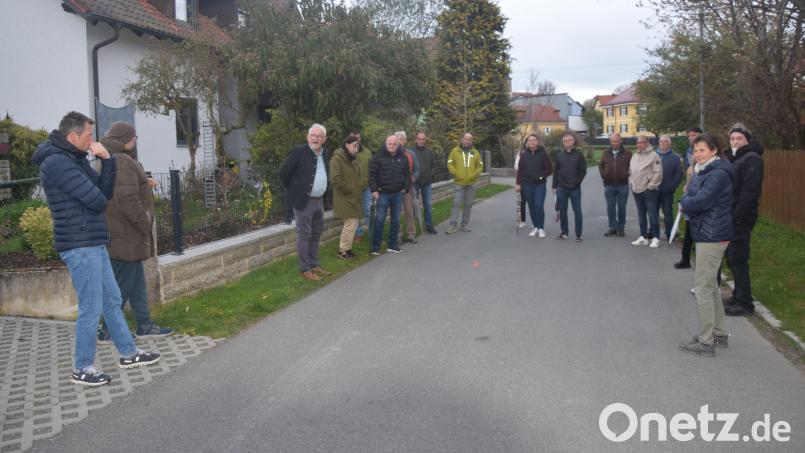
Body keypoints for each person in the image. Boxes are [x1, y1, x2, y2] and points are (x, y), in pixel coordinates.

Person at [32, 112, 160, 386]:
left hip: (92, 240)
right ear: (72, 136)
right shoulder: (56, 163)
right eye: (89, 135)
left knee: (112, 299)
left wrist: (106, 160)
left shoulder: (74, 159)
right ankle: (82, 368)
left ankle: (128, 352)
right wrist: (103, 172)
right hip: (79, 245)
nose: (93, 139)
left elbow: (104, 190)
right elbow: (99, 200)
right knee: (91, 306)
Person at [99, 121, 173, 341]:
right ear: (124, 138)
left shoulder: (114, 158)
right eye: (134, 136)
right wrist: (144, 224)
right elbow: (126, 199)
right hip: (126, 235)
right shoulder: (121, 161)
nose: (136, 139)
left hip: (124, 234)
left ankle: (144, 324)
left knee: (136, 282)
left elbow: (124, 188)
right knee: (120, 286)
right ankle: (107, 329)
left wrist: (144, 182)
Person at [679, 133, 733, 356]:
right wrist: (688, 198)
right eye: (695, 150)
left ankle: (706, 341)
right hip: (708, 232)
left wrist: (684, 202)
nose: (697, 154)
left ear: (714, 150)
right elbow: (692, 192)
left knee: (702, 288)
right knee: (711, 286)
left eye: (702, 150)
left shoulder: (717, 173)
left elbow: (700, 200)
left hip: (712, 234)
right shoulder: (705, 170)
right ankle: (718, 334)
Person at [280, 123, 332, 281]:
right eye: (313, 135)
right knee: (304, 235)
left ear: (324, 139)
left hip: (319, 201)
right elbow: (283, 173)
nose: (316, 138)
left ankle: (314, 264)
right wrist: (295, 190)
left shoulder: (326, 153)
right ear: (307, 137)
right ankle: (304, 269)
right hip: (303, 201)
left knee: (316, 233)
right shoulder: (299, 151)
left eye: (319, 136)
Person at [724, 123, 764, 317]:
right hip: (731, 214)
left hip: (741, 217)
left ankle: (745, 303)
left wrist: (737, 216)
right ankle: (737, 295)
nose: (735, 142)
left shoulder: (752, 159)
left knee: (738, 258)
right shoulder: (736, 159)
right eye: (732, 139)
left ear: (747, 139)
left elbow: (749, 192)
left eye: (739, 138)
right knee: (732, 258)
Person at [369, 135, 410, 254]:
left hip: (398, 194)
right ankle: (375, 247)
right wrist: (374, 190)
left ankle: (392, 245)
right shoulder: (378, 156)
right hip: (383, 193)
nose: (391, 146)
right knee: (379, 220)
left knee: (396, 220)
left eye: (394, 144)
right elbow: (372, 174)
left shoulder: (403, 157)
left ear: (398, 145)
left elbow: (407, 174)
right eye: (389, 144)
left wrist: (405, 188)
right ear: (386, 144)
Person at [330, 135, 363, 259]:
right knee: (351, 223)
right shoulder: (337, 159)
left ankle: (347, 249)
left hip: (352, 197)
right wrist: (350, 189)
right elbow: (335, 180)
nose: (356, 148)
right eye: (354, 146)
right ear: (347, 145)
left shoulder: (351, 158)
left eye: (357, 146)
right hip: (344, 197)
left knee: (352, 223)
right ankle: (343, 251)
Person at [674, 127, 702, 269]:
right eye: (689, 135)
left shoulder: (705, 153)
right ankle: (685, 258)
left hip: (699, 195)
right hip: (689, 192)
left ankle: (697, 257)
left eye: (694, 135)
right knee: (689, 226)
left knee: (697, 229)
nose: (691, 138)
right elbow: (689, 171)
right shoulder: (688, 152)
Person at [515, 134, 553, 238]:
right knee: (531, 206)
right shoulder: (524, 155)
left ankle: (541, 228)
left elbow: (549, 169)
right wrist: (518, 183)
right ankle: (535, 227)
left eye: (534, 140)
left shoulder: (543, 154)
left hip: (539, 185)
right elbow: (520, 171)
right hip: (527, 185)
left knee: (538, 205)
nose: (532, 142)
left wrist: (540, 177)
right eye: (530, 140)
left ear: (537, 142)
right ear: (527, 143)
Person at [446, 133, 484, 234]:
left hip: (471, 183)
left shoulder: (475, 152)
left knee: (468, 204)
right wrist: (456, 173)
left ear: (472, 141)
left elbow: (480, 165)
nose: (467, 141)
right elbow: (450, 163)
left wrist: (475, 174)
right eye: (465, 139)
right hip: (459, 183)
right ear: (461, 140)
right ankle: (453, 225)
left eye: (469, 140)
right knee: (456, 204)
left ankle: (464, 224)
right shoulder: (455, 151)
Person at [629, 135, 663, 248]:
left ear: (647, 143)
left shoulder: (654, 155)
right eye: (638, 143)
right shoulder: (634, 156)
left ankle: (656, 238)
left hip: (649, 190)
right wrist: (631, 182)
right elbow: (631, 171)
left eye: (642, 142)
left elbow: (658, 172)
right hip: (636, 189)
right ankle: (643, 237)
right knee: (641, 215)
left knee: (652, 214)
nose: (640, 144)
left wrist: (651, 185)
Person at [552, 132, 587, 241]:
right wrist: (554, 186)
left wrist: (577, 182)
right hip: (562, 187)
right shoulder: (559, 155)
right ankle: (564, 232)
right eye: (565, 141)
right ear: (563, 143)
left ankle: (578, 234)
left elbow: (583, 171)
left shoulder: (579, 155)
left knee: (577, 211)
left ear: (573, 141)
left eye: (569, 140)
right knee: (562, 211)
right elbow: (556, 171)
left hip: (575, 188)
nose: (567, 142)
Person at [599, 133, 631, 237]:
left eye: (616, 141)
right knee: (610, 207)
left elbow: (632, 166)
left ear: (620, 141)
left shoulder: (627, 153)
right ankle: (612, 227)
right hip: (609, 185)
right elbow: (601, 165)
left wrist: (627, 174)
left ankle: (621, 228)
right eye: (612, 141)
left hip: (623, 185)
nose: (614, 143)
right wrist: (604, 175)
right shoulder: (605, 153)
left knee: (622, 207)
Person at [656, 134, 683, 240]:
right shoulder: (654, 155)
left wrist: (672, 186)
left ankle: (669, 233)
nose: (663, 143)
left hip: (667, 191)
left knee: (668, 213)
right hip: (654, 190)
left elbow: (679, 174)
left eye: (665, 141)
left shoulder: (675, 158)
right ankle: (654, 232)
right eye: (661, 141)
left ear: (669, 144)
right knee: (653, 213)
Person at [396, 131, 421, 244]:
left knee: (409, 211)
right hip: (395, 188)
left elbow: (417, 169)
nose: (399, 141)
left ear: (405, 141)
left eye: (401, 139)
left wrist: (413, 178)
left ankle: (411, 234)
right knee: (396, 212)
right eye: (397, 139)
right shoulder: (391, 153)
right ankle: (398, 235)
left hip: (407, 187)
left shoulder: (411, 154)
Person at [413, 131, 437, 234]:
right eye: (420, 139)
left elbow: (434, 166)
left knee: (427, 204)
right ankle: (413, 228)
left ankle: (429, 225)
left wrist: (430, 175)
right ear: (416, 139)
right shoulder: (411, 151)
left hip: (427, 183)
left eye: (423, 139)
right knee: (414, 205)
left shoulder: (429, 152)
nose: (421, 141)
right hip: (415, 183)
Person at [353, 129, 373, 240]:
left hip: (366, 187)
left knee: (368, 210)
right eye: (354, 137)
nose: (356, 139)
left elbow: (372, 168)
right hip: (353, 188)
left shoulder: (367, 152)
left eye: (358, 137)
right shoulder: (346, 152)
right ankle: (358, 234)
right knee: (355, 212)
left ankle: (372, 232)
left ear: (360, 138)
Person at [514, 149, 528, 229]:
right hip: (523, 181)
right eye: (528, 141)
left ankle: (535, 222)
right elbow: (516, 166)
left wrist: (540, 178)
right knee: (522, 202)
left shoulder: (538, 152)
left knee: (533, 204)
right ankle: (523, 221)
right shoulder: (521, 152)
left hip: (534, 182)